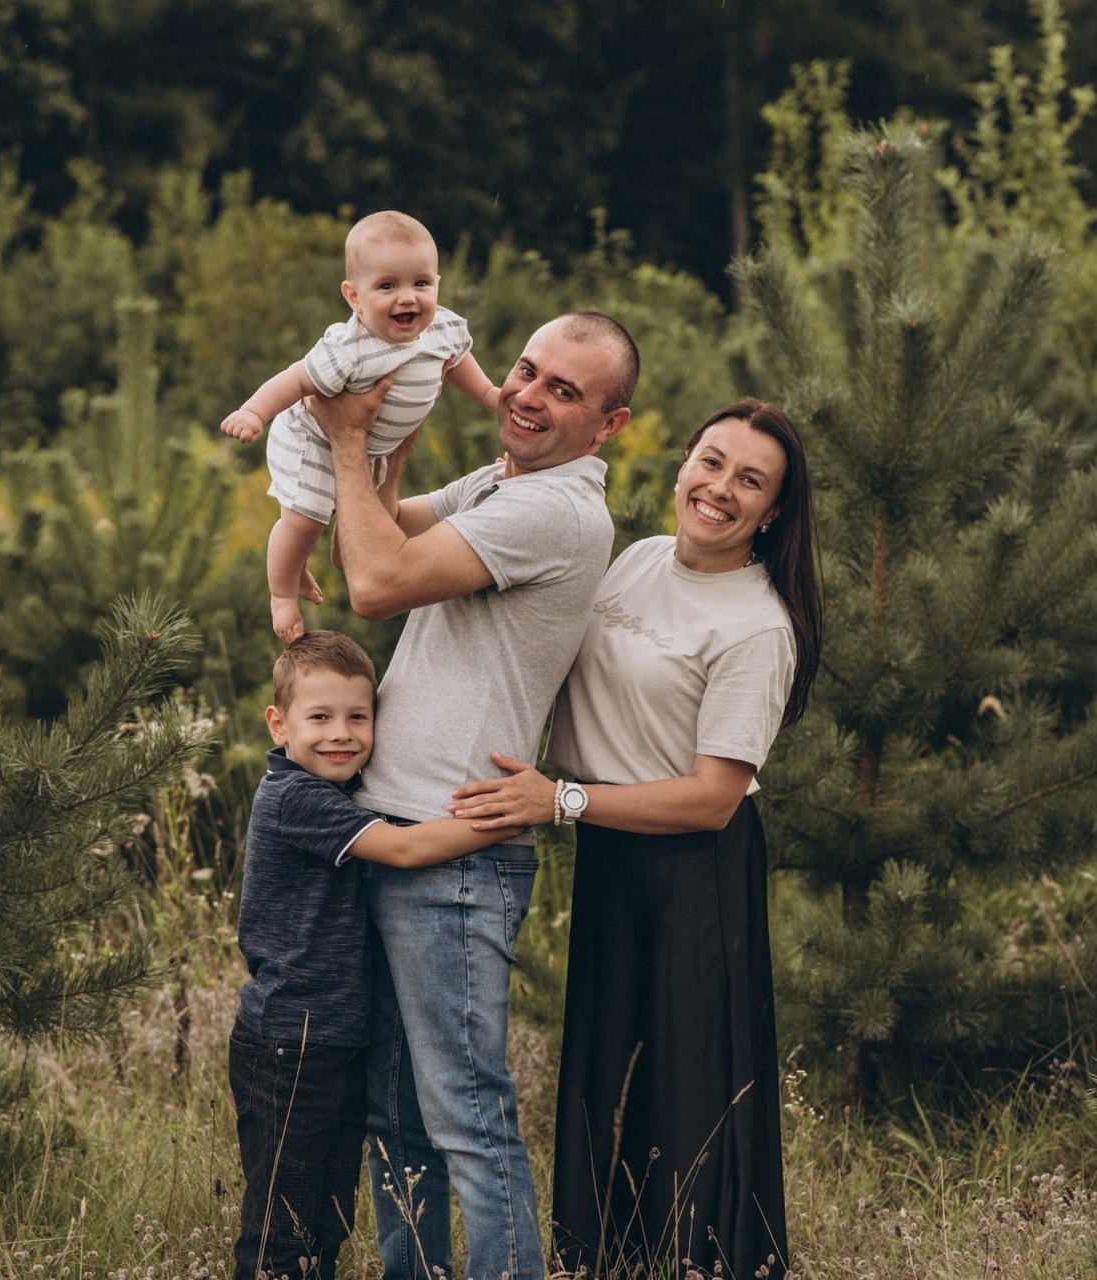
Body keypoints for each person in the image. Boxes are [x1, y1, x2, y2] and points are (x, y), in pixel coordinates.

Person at [450, 399, 823, 1280]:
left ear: (772, 512)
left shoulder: (758, 627)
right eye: (711, 461)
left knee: (688, 1091)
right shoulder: (640, 558)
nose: (720, 489)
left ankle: (701, 1264)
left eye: (750, 481)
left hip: (695, 872)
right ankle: (604, 1261)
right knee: (605, 1077)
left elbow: (712, 800)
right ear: (685, 462)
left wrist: (561, 801)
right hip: (611, 850)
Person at [311, 313, 640, 1280]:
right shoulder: (508, 483)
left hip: (456, 852)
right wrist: (386, 440)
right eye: (527, 371)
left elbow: (373, 584)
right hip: (399, 828)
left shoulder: (556, 511)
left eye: (564, 391)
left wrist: (342, 439)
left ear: (610, 426)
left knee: (467, 1118)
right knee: (396, 1116)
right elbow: (375, 533)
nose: (529, 395)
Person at [229, 630, 522, 1280]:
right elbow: (406, 849)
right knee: (285, 1230)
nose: (342, 734)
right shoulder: (294, 799)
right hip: (290, 1046)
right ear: (278, 724)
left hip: (330, 1041)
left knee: (325, 1223)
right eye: (320, 717)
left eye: (358, 717)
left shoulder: (334, 788)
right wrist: (511, 817)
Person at [220, 209, 501, 644]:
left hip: (373, 446)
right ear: (354, 296)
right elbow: (296, 379)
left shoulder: (442, 327)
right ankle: (281, 592)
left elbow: (459, 362)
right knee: (304, 521)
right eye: (387, 286)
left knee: (364, 522)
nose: (407, 298)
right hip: (312, 438)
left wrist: (489, 395)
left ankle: (315, 559)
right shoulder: (349, 348)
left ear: (438, 284)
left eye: (420, 283)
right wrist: (254, 412)